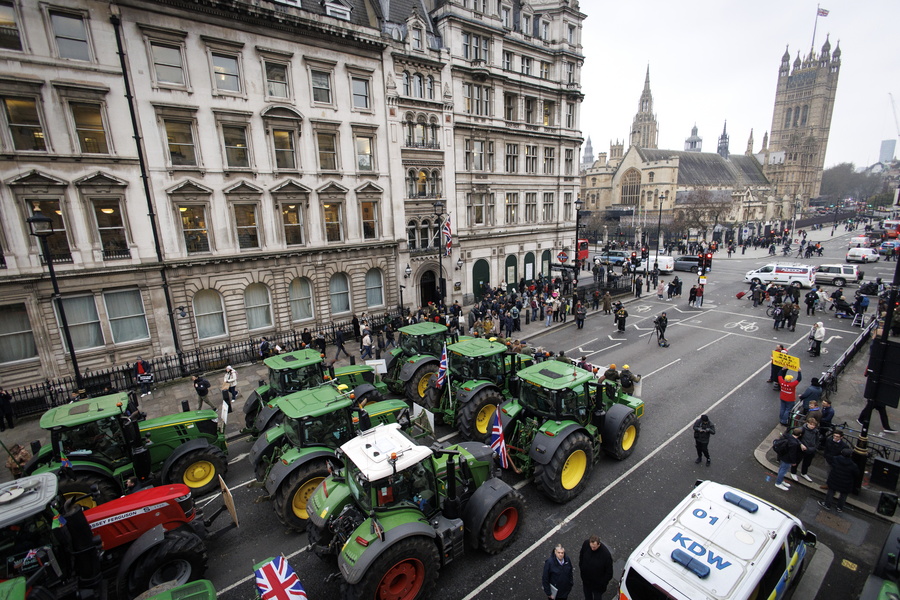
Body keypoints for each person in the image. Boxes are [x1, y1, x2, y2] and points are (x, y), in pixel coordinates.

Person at [818, 448, 859, 513]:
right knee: (843, 495)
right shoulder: (853, 465)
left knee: (831, 492)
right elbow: (856, 474)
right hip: (846, 483)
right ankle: (839, 507)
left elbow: (831, 464)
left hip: (834, 480)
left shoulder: (835, 459)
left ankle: (827, 505)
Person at [579, 535, 613, 600]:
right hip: (586, 581)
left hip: (598, 586)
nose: (592, 549)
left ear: (599, 544)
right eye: (591, 546)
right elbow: (581, 555)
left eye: (594, 547)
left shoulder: (606, 555)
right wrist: (582, 568)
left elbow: (609, 573)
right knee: (588, 597)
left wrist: (601, 583)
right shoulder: (586, 544)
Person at [789, 417, 819, 482]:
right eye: (811, 424)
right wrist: (801, 444)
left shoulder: (816, 431)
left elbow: (817, 440)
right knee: (797, 461)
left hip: (811, 450)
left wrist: (815, 447)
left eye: (814, 425)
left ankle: (804, 473)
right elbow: (795, 438)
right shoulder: (802, 430)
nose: (812, 426)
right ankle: (793, 473)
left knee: (806, 463)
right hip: (801, 450)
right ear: (807, 423)